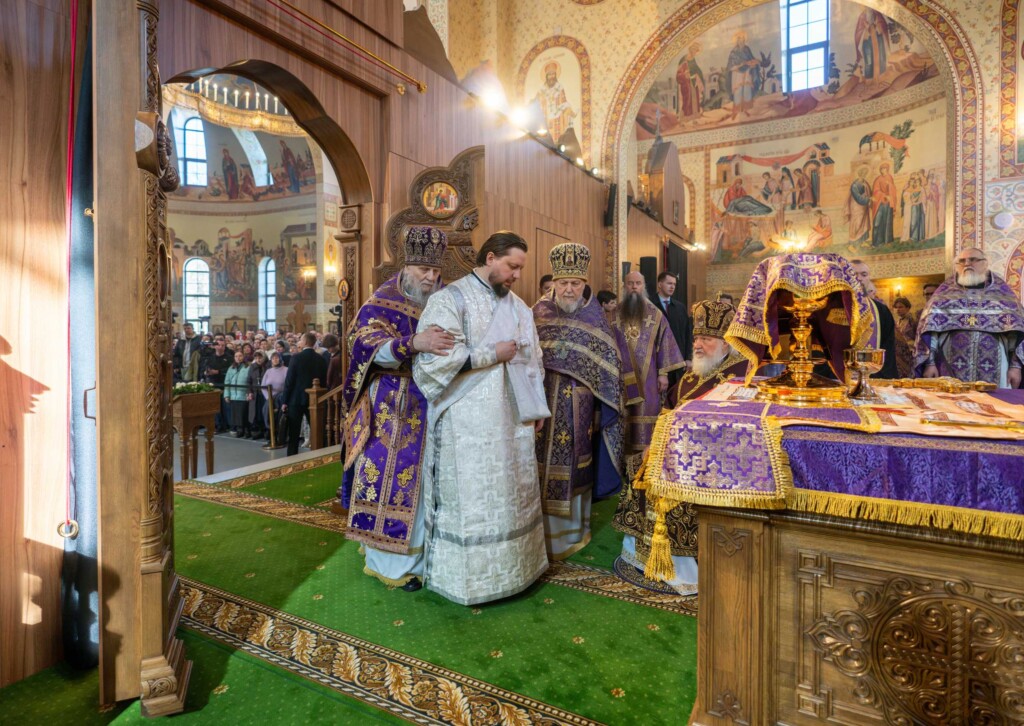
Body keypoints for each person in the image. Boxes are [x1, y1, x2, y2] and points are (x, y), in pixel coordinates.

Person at [413, 231, 549, 605]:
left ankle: (519, 570)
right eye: (512, 266)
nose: (516, 275)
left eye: (520, 268)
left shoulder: (520, 308)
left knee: (511, 495)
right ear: (490, 258)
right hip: (466, 424)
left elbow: (533, 362)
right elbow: (432, 363)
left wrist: (537, 406)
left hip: (513, 421)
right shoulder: (449, 300)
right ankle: (467, 581)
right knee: (471, 500)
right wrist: (491, 354)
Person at [341, 227, 452, 591]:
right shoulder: (382, 300)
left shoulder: (444, 300)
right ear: (406, 265)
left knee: (424, 486)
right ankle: (389, 563)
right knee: (385, 482)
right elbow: (364, 344)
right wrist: (413, 342)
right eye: (423, 269)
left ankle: (420, 558)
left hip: (430, 403)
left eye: (435, 270)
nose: (430, 277)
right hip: (388, 404)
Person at [615, 297, 747, 594]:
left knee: (672, 482)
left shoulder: (742, 375)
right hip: (677, 450)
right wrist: (654, 445)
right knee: (639, 466)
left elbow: (735, 430)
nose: (697, 345)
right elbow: (668, 411)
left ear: (726, 343)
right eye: (697, 338)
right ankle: (644, 554)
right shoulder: (693, 373)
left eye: (707, 339)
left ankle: (683, 566)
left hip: (715, 461)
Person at [533, 243, 625, 559]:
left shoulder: (595, 318)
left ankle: (571, 534)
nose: (569, 289)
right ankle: (538, 535)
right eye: (563, 283)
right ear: (554, 283)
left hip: (578, 406)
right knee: (537, 465)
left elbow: (609, 368)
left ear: (585, 283)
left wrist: (601, 406)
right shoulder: (537, 313)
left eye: (575, 283)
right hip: (541, 402)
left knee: (574, 465)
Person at [612, 271, 686, 478]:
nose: (634, 287)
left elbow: (665, 344)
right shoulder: (614, 314)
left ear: (644, 286)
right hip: (620, 377)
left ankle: (647, 463)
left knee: (647, 414)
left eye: (638, 283)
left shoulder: (655, 313)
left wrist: (663, 373)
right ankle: (622, 466)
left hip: (649, 378)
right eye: (630, 283)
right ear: (624, 286)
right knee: (624, 418)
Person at [914, 248, 1024, 387]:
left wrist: (1015, 367)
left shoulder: (1003, 294)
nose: (967, 264)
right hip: (949, 363)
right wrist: (930, 364)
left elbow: (1016, 333)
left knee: (993, 399)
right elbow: (930, 332)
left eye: (973, 259)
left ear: (985, 263)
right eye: (961, 261)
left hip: (996, 364)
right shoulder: (943, 294)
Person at [849, 260, 899, 379]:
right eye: (854, 274)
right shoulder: (831, 308)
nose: (859, 278)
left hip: (873, 378)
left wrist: (881, 379)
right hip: (839, 379)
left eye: (864, 274)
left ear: (869, 278)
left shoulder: (881, 311)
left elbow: (888, 348)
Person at [281, 332, 328, 455]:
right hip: (315, 399)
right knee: (317, 430)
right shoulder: (321, 359)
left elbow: (289, 381)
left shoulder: (296, 358)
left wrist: (284, 401)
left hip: (296, 399)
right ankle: (320, 456)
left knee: (294, 432)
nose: (299, 342)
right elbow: (324, 380)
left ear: (305, 342)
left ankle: (292, 458)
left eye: (301, 340)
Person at [651, 272, 693, 383]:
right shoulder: (649, 305)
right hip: (656, 363)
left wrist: (688, 358)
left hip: (678, 363)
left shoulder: (680, 307)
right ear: (660, 284)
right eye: (669, 283)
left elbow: (688, 334)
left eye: (674, 284)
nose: (672, 287)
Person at [261, 351, 289, 448]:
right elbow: (263, 386)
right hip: (269, 398)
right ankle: (271, 437)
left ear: (280, 359)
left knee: (279, 418)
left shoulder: (286, 370)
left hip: (281, 398)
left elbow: (288, 385)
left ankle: (280, 438)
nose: (275, 360)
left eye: (277, 358)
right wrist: (268, 398)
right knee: (267, 414)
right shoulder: (268, 371)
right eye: (273, 358)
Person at [224, 350, 251, 437]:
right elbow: (227, 381)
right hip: (233, 395)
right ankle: (239, 429)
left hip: (243, 395)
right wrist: (227, 395)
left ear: (243, 357)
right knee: (236, 415)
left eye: (240, 356)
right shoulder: (231, 368)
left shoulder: (248, 367)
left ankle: (246, 429)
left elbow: (250, 381)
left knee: (244, 413)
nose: (238, 358)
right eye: (236, 356)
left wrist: (249, 392)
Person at [871, 163, 897, 248]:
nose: (883, 170)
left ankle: (887, 241)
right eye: (881, 169)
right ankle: (876, 242)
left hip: (888, 203)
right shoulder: (878, 179)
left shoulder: (890, 177)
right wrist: (884, 195)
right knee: (877, 222)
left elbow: (893, 189)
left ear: (887, 169)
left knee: (887, 221)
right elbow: (875, 191)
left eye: (884, 168)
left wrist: (890, 186)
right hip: (879, 203)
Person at [246, 351, 268, 439]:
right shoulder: (252, 367)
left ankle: (266, 430)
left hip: (265, 394)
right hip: (255, 393)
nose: (258, 360)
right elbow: (248, 381)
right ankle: (257, 430)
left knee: (265, 412)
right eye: (256, 358)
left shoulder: (268, 367)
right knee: (256, 413)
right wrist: (249, 392)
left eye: (260, 358)